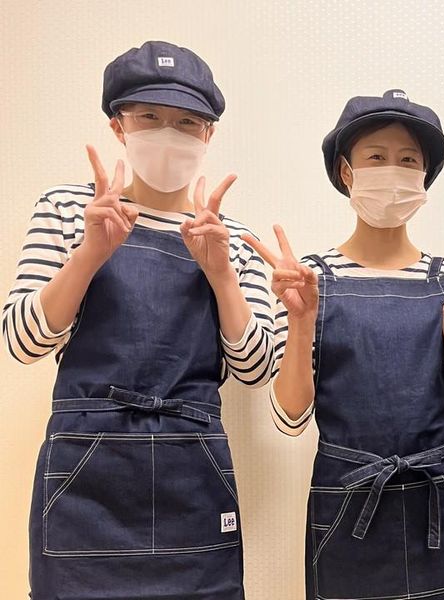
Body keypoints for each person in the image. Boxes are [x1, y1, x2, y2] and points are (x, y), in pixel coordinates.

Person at [4, 41, 274, 599]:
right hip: (86, 474)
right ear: (118, 125)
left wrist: (221, 274)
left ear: (208, 134)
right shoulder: (68, 209)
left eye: (187, 122)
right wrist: (90, 254)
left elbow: (255, 370)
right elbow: (22, 341)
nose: (168, 133)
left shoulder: (232, 239)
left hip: (193, 473)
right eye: (149, 116)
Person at [245, 89, 444, 600]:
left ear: (424, 177)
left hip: (436, 500)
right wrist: (300, 321)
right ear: (346, 172)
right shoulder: (308, 280)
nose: (393, 170)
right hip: (347, 504)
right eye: (376, 157)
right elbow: (290, 418)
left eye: (408, 160)